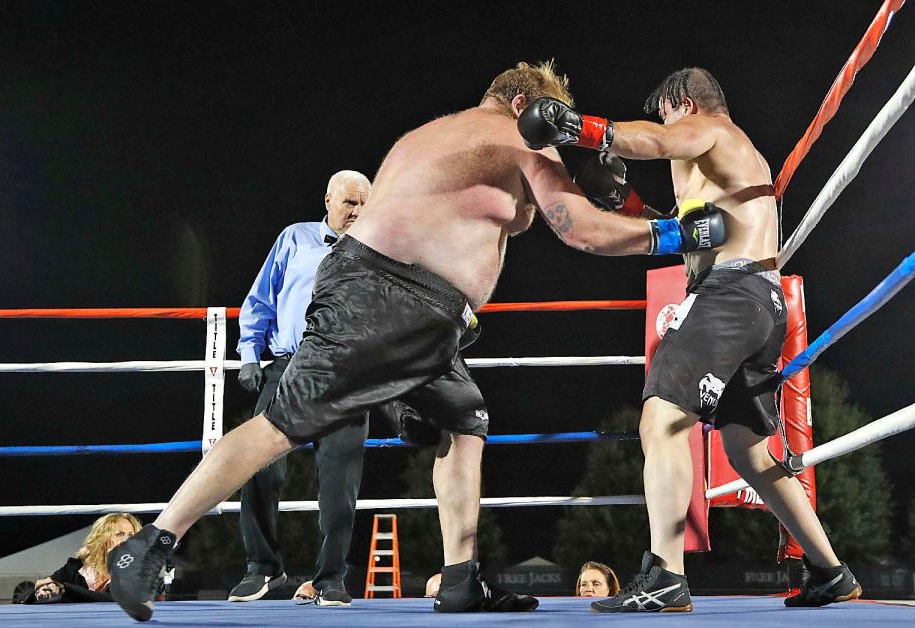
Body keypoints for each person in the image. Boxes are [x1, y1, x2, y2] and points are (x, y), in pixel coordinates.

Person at [107, 60, 723, 621]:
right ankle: (150, 545)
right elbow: (581, 231)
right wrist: (674, 235)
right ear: (525, 107)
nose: (557, 137)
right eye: (552, 120)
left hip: (419, 315)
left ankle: (459, 578)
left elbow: (500, 216)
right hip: (387, 303)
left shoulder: (431, 136)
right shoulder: (519, 137)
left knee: (465, 417)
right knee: (283, 423)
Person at [518, 67, 861, 612]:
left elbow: (654, 141)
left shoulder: (711, 129)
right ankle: (829, 570)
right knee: (748, 451)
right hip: (759, 304)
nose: (663, 126)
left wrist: (577, 128)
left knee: (660, 419)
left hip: (729, 297)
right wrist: (629, 207)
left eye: (666, 114)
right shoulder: (725, 165)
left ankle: (666, 575)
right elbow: (691, 237)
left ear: (684, 104)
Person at [227, 170, 371, 607]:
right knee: (257, 468)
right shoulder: (294, 238)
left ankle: (330, 578)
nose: (358, 211)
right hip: (287, 367)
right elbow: (261, 298)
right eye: (350, 202)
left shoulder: (381, 246)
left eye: (365, 203)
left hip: (348, 373)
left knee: (339, 482)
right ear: (328, 199)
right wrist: (249, 356)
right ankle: (262, 568)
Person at [24, 513, 142, 604]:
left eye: (131, 535)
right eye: (119, 534)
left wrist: (65, 590)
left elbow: (117, 599)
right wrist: (43, 591)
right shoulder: (76, 567)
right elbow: (27, 597)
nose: (127, 540)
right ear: (102, 539)